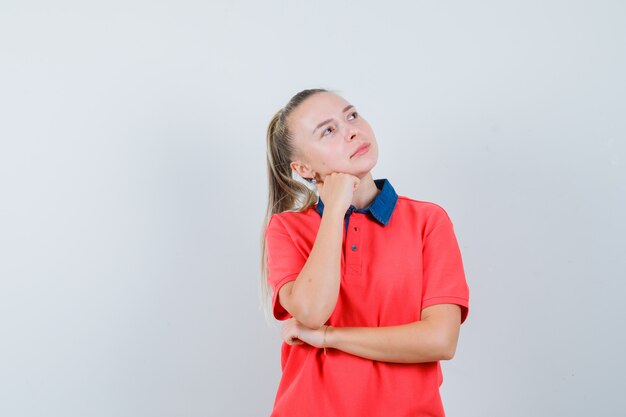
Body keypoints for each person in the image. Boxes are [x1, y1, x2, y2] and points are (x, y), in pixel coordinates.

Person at [260, 88, 470, 417]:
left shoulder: (428, 221)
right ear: (302, 168)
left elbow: (440, 340)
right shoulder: (286, 229)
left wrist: (329, 337)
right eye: (328, 130)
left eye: (352, 115)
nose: (352, 130)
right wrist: (334, 210)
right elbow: (313, 311)